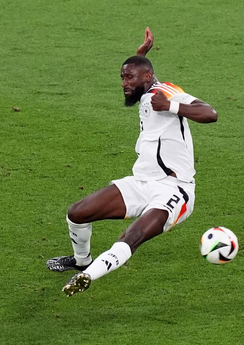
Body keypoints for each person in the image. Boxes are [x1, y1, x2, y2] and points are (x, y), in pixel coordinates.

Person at [46, 28, 218, 296]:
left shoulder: (166, 93)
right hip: (141, 182)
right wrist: (140, 55)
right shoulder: (148, 90)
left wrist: (172, 107)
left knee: (132, 237)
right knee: (77, 213)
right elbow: (148, 82)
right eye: (122, 78)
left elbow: (210, 113)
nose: (124, 83)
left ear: (147, 77)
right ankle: (82, 261)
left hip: (175, 189)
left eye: (129, 77)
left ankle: (87, 276)